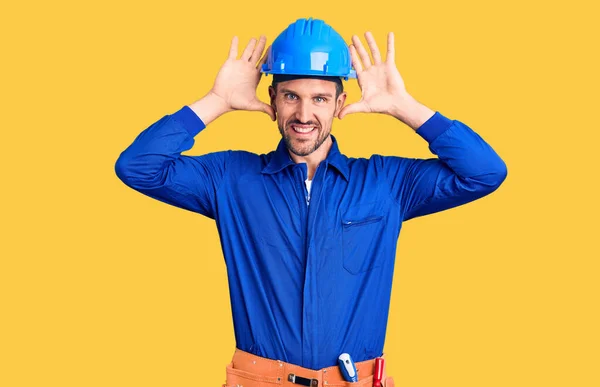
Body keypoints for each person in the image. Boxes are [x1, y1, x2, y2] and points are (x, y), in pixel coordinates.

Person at [115, 17, 507, 387]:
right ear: (272, 99)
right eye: (291, 96)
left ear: (339, 104)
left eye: (320, 98)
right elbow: (137, 167)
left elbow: (484, 172)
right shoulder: (230, 178)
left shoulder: (387, 183)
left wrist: (402, 106)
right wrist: (217, 100)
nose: (304, 114)